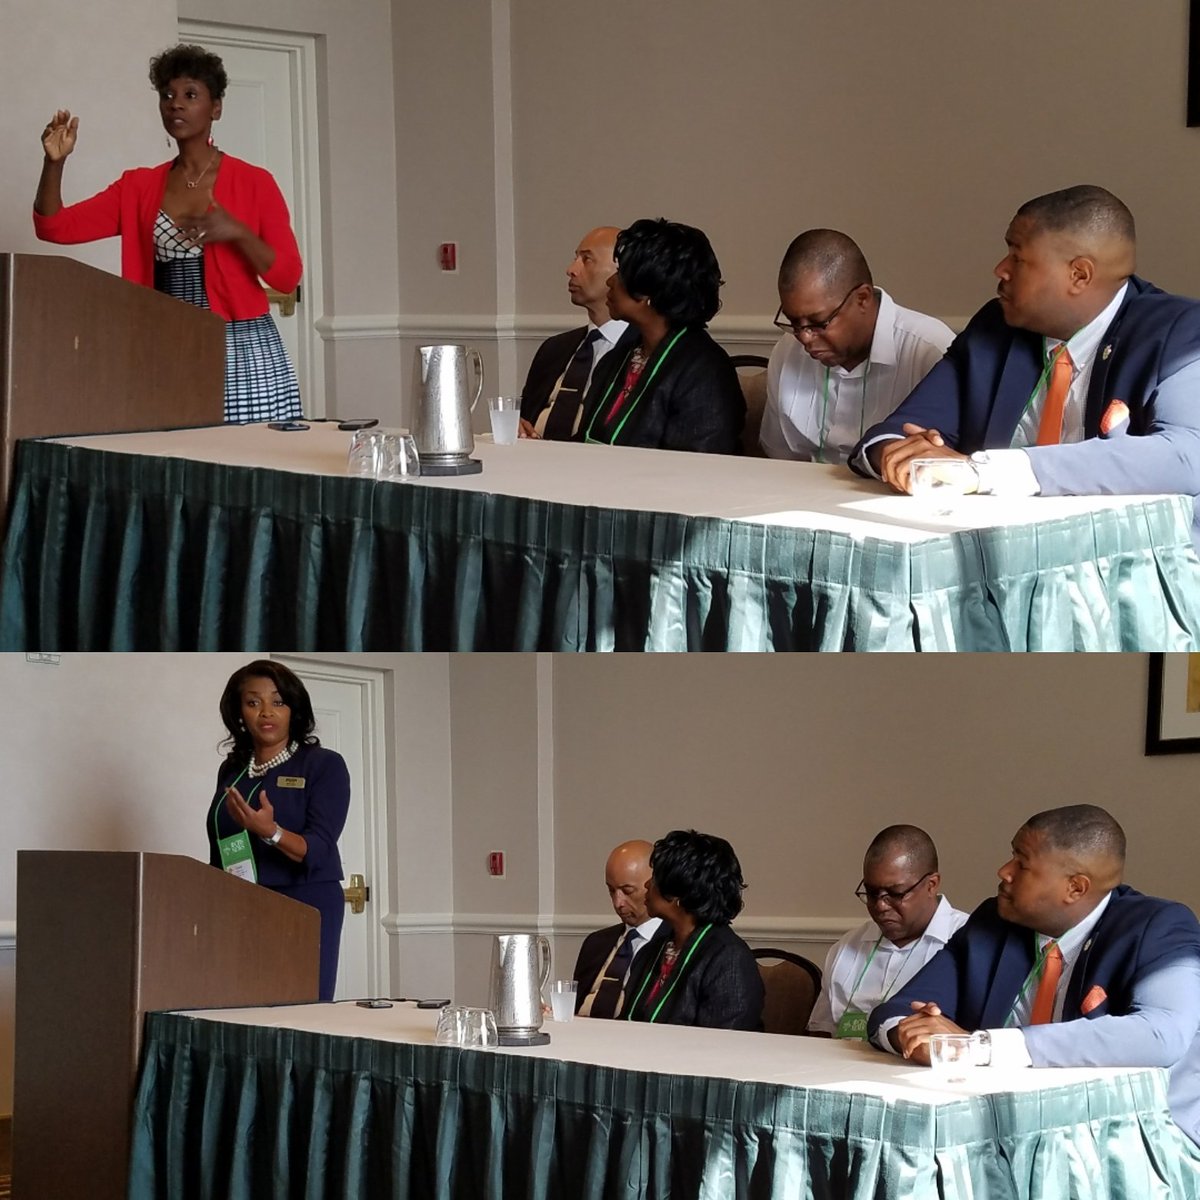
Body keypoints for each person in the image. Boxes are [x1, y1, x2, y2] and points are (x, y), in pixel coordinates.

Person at [852, 185, 1200, 551]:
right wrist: (901, 457)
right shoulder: (996, 326)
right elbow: (896, 430)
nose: (1000, 269)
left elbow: (1186, 454)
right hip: (997, 565)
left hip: (1131, 575)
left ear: (1079, 274)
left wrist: (983, 473)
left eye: (1017, 257)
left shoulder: (1179, 332)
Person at [868, 804, 1200, 1146]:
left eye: (1022, 863)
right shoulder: (992, 922)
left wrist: (982, 1048)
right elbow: (895, 1011)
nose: (1004, 871)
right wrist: (914, 1038)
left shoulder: (1157, 926)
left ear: (1076, 888)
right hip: (999, 1136)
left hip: (1132, 1146)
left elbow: (1162, 1033)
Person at [33, 43, 303, 424]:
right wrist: (54, 163)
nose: (176, 103)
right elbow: (53, 227)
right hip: (162, 344)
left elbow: (288, 275)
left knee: (244, 465)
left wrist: (238, 233)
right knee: (174, 463)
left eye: (191, 94)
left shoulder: (255, 182)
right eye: (168, 95)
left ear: (216, 108)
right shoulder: (138, 187)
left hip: (239, 350)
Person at [206, 660, 351, 1002]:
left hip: (304, 900)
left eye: (278, 702)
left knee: (299, 1008)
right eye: (253, 702)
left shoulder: (323, 765)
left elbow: (319, 847)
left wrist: (270, 832)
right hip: (240, 902)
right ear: (239, 713)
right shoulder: (232, 769)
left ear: (294, 709)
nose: (266, 712)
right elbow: (222, 842)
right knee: (241, 1006)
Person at [760, 229, 952, 464]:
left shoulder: (930, 351)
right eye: (793, 323)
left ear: (862, 298)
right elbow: (778, 460)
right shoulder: (786, 351)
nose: (805, 338)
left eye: (819, 323)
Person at [579, 219, 745, 453]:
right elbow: (586, 445)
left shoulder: (706, 372)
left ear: (651, 289)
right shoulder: (618, 357)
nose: (610, 282)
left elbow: (697, 471)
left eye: (622, 272)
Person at [808, 825, 967, 1038]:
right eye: (872, 893)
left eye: (896, 893)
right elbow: (821, 1033)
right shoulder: (846, 948)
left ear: (931, 885)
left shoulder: (969, 943)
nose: (881, 905)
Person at [623, 829, 764, 1029]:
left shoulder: (729, 959)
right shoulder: (652, 950)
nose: (647, 884)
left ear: (679, 890)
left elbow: (726, 1048)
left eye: (654, 877)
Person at [518, 227, 629, 440]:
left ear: (620, 272)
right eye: (575, 258)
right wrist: (519, 426)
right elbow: (526, 416)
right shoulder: (555, 348)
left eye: (586, 259)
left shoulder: (642, 351)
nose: (571, 269)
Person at [572, 839, 663, 1018]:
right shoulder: (596, 942)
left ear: (653, 886)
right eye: (611, 891)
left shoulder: (671, 945)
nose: (618, 903)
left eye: (627, 891)